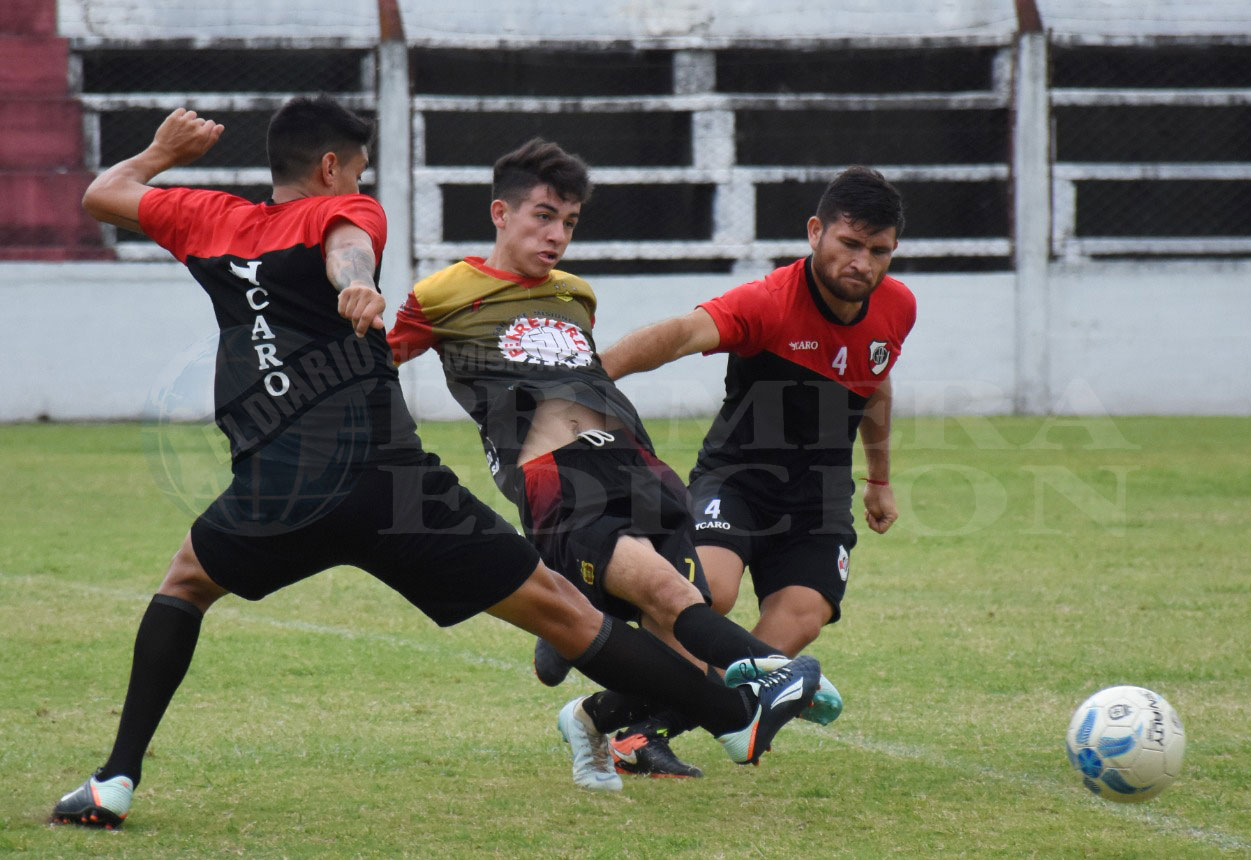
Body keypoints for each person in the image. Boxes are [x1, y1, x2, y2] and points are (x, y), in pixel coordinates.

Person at [50, 99, 821, 827]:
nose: (361, 188)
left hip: (276, 489)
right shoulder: (347, 211)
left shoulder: (207, 219)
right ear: (330, 168)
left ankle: (114, 779)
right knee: (563, 612)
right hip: (393, 487)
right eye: (357, 172)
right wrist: (357, 286)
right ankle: (731, 716)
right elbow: (347, 248)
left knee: (185, 585)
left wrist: (161, 152)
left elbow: (103, 195)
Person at [387, 139, 837, 782]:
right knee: (667, 591)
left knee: (686, 626)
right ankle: (764, 682)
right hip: (554, 473)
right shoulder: (442, 294)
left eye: (569, 222)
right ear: (500, 213)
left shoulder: (576, 294)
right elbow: (376, 368)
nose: (557, 235)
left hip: (635, 460)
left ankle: (591, 709)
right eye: (544, 216)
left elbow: (583, 381)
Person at [599, 165, 914, 739]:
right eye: (849, 243)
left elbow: (876, 384)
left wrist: (879, 480)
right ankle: (602, 605)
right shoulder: (768, 302)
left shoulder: (898, 307)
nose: (863, 263)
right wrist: (590, 378)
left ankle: (641, 730)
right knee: (707, 595)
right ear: (815, 232)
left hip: (818, 498)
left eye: (879, 251)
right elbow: (682, 334)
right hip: (737, 479)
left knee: (802, 616)